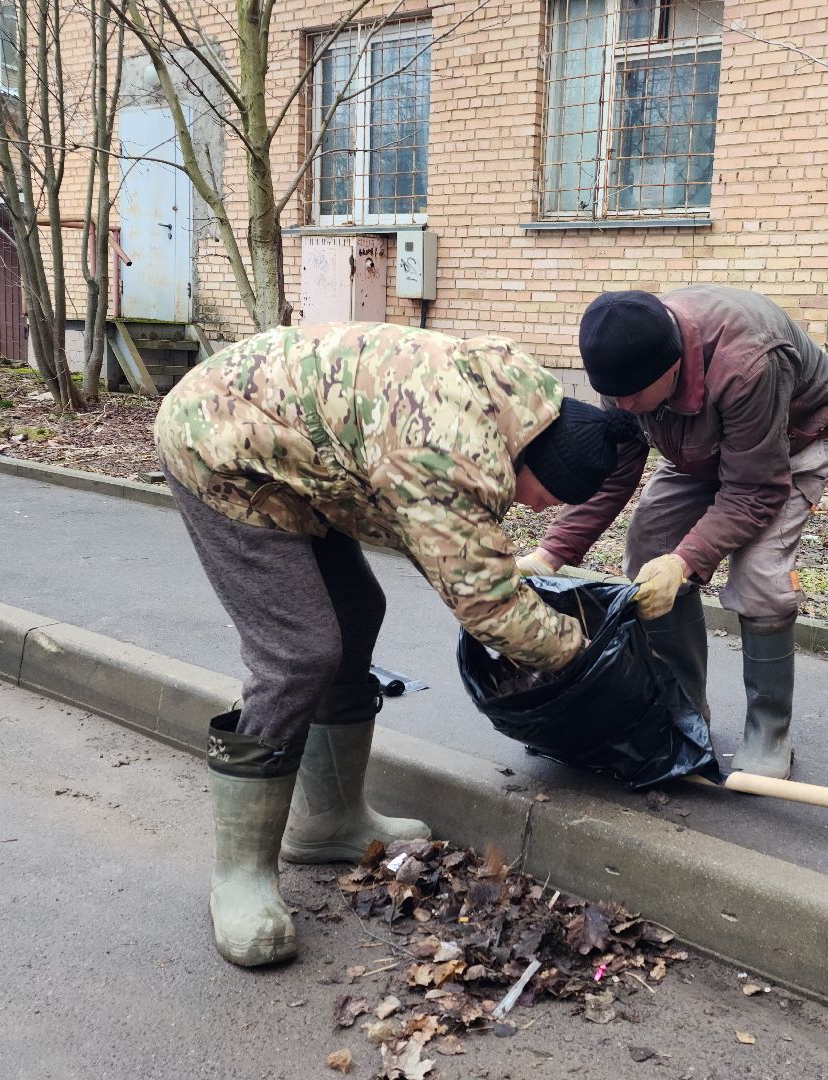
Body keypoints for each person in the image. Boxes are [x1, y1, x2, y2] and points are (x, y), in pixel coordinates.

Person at [155, 322, 634, 968]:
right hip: (219, 446)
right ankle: (238, 876)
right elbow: (485, 603)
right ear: (537, 467)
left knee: (357, 611)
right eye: (541, 500)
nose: (530, 510)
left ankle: (329, 821)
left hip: (293, 451)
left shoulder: (516, 397)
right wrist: (585, 660)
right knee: (297, 652)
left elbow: (442, 535)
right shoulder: (452, 453)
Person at [518, 287, 828, 780]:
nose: (624, 405)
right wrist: (551, 553)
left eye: (634, 395)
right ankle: (685, 710)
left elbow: (754, 490)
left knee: (761, 575)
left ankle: (768, 730)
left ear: (672, 365)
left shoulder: (748, 364)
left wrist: (685, 562)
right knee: (649, 543)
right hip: (700, 444)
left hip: (794, 441)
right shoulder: (626, 364)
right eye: (616, 395)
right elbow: (617, 465)